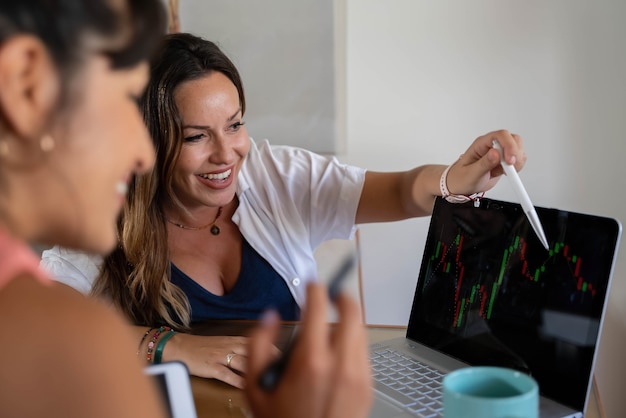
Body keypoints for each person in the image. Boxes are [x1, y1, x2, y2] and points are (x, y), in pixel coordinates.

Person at [41, 32, 526, 388]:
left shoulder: (274, 174)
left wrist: (455, 180)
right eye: (195, 137)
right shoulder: (102, 207)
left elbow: (401, 191)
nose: (226, 153)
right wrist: (171, 345)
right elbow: (40, 328)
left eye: (233, 125)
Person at [2, 2, 372, 418]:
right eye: (118, 107)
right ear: (25, 84)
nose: (144, 156)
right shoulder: (44, 329)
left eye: (234, 124)